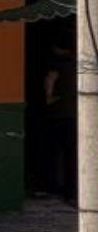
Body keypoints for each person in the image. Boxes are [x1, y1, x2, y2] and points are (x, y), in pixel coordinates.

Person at [43, 40, 77, 202]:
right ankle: (70, 192)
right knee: (71, 154)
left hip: (58, 113)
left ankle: (50, 186)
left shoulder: (57, 63)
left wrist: (48, 98)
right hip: (75, 114)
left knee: (51, 152)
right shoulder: (79, 63)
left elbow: (50, 79)